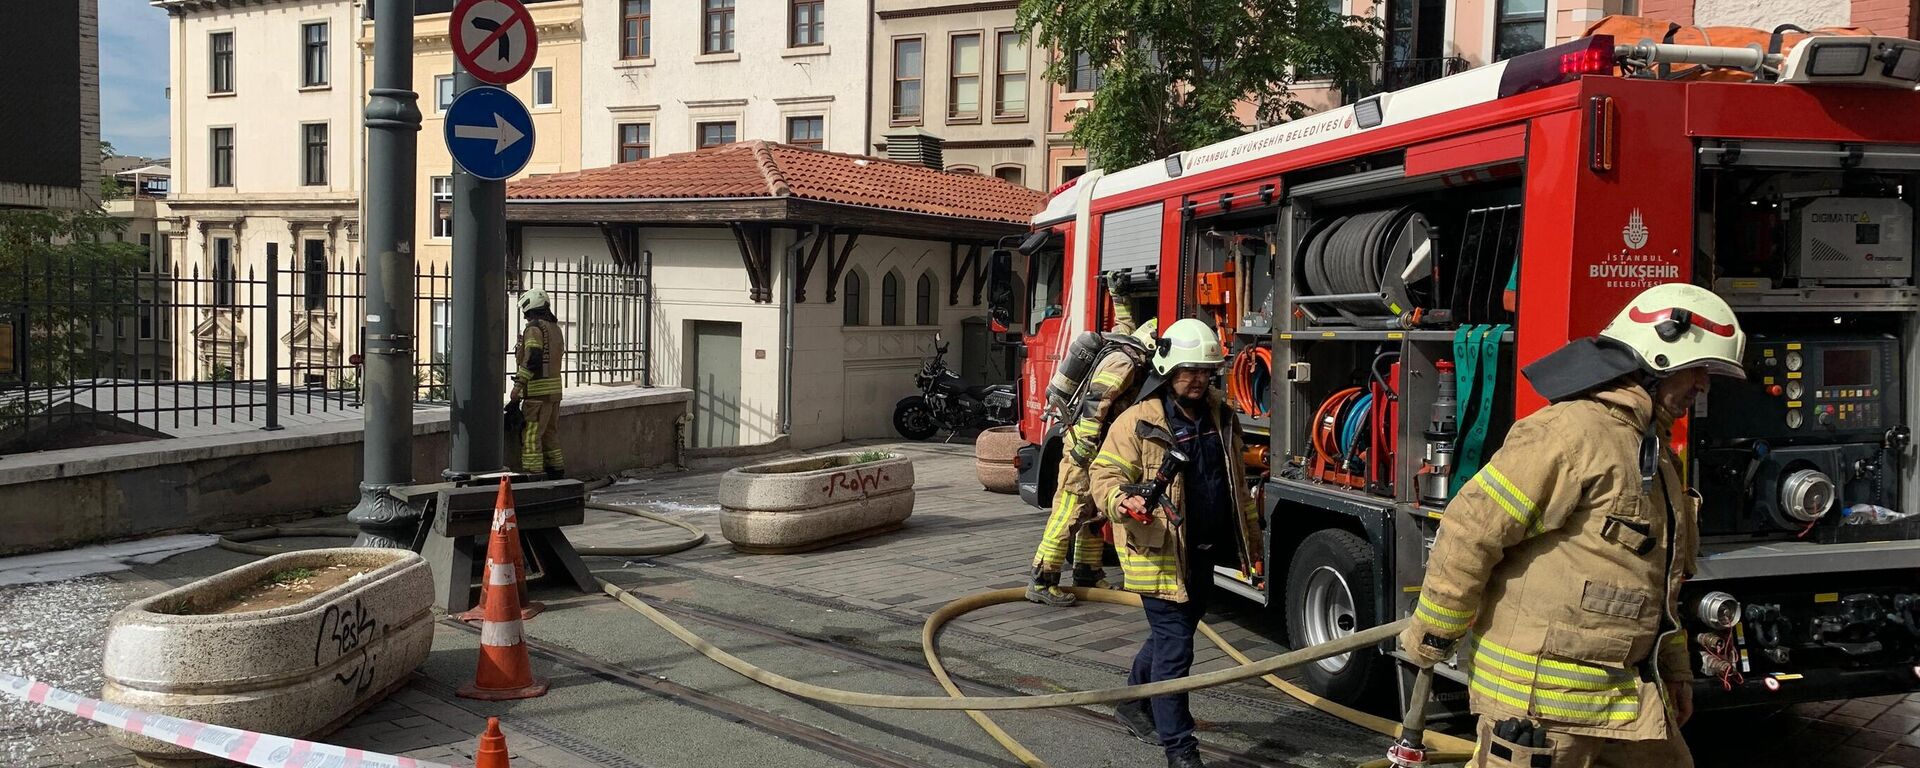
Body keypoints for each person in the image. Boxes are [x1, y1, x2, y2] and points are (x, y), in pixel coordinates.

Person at [1398, 283, 1746, 768]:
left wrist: (1675, 671)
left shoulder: (1654, 452)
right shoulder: (1568, 433)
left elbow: (1658, 580)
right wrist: (1432, 637)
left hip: (1625, 700)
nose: (1704, 386)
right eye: (1697, 371)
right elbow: (1470, 529)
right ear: (1657, 359)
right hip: (1542, 711)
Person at [1089, 318, 1264, 768]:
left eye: (1207, 371)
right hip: (1160, 554)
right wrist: (1122, 501)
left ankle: (1133, 701)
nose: (1200, 379)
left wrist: (1253, 549)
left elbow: (1238, 488)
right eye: (1191, 370)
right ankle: (1180, 749)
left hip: (1204, 552)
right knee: (1176, 648)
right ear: (1168, 368)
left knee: (1175, 635)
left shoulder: (1223, 417)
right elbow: (1103, 475)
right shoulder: (1137, 422)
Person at [1027, 272, 1158, 606]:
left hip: (1097, 445)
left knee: (1095, 512)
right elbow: (1096, 399)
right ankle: (1042, 581)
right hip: (1085, 445)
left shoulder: (1128, 344)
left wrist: (1119, 297)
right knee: (1069, 509)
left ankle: (1087, 572)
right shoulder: (1126, 360)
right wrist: (1085, 445)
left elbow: (1124, 324)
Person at [511, 288, 568, 479]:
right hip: (554, 392)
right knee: (550, 433)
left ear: (529, 308)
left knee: (531, 435)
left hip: (537, 393)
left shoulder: (534, 329)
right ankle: (556, 471)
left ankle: (534, 474)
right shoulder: (555, 328)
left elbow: (533, 358)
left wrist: (519, 385)